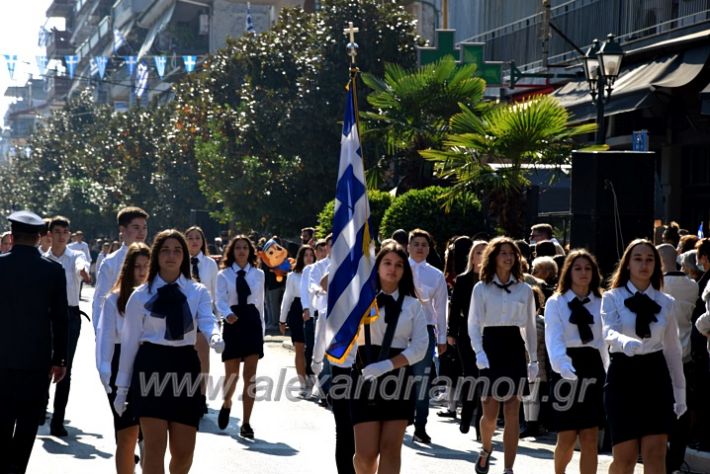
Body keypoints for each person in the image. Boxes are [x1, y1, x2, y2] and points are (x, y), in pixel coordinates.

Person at [114, 229, 224, 473]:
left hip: (184, 365)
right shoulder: (140, 296)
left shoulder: (197, 291)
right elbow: (130, 342)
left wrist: (214, 335)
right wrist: (122, 389)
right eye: (165, 250)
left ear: (184, 256)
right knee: (154, 447)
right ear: (156, 256)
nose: (171, 256)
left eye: (177, 250)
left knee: (184, 452)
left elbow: (207, 318)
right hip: (151, 364)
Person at [601, 239, 686, 473]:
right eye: (637, 258)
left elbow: (672, 350)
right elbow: (607, 330)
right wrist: (623, 341)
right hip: (623, 376)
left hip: (655, 375)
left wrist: (680, 394)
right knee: (625, 457)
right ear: (627, 264)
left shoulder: (666, 302)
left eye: (649, 259)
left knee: (656, 454)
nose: (644, 264)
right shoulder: (612, 297)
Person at [351, 242, 428, 474]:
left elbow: (421, 347)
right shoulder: (359, 300)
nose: (392, 269)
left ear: (405, 271)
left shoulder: (413, 306)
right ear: (377, 267)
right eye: (387, 263)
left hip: (398, 378)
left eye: (398, 265)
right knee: (365, 457)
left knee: (391, 449)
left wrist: (388, 365)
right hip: (364, 377)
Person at [0, 210, 68, 474]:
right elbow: (60, 319)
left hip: (2, 360)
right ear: (41, 237)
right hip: (36, 361)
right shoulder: (53, 271)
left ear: (13, 236)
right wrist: (60, 359)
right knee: (28, 423)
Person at [468, 237, 537, 474]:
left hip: (513, 347)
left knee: (512, 410)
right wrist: (479, 352)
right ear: (494, 257)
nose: (508, 257)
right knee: (489, 412)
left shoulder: (525, 289)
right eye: (503, 253)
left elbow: (529, 325)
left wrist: (534, 360)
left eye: (512, 253)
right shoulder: (481, 288)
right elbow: (474, 324)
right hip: (490, 346)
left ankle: (509, 468)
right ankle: (486, 449)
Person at [544, 250, 608, 474]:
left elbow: (603, 341)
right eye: (578, 268)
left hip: (593, 366)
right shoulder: (556, 302)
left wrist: (609, 371)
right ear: (568, 272)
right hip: (566, 367)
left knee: (590, 437)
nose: (583, 273)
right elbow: (554, 339)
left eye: (588, 268)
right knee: (567, 436)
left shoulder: (602, 301)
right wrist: (563, 366)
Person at [95, 242, 150, 474]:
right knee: (127, 434)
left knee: (150, 435)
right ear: (128, 269)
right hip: (120, 369)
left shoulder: (158, 296)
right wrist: (108, 380)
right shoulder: (113, 300)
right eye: (137, 266)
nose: (142, 271)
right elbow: (105, 342)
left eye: (147, 266)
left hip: (150, 364)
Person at [42, 216, 91, 437]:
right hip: (46, 317)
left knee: (65, 368)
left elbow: (82, 265)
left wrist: (83, 272)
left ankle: (58, 421)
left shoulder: (76, 256)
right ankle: (41, 409)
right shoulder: (43, 260)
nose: (62, 235)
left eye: (65, 231)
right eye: (58, 231)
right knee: (42, 365)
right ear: (49, 235)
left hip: (70, 316)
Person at [216, 235, 265, 438]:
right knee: (232, 375)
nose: (242, 251)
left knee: (250, 377)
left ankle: (246, 422)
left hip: (252, 322)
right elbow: (219, 300)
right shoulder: (224, 275)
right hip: (233, 322)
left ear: (250, 251)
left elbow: (260, 303)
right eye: (238, 248)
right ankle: (227, 402)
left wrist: (261, 328)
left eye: (245, 247)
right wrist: (227, 314)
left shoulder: (259, 274)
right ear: (232, 251)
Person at [657, 243, 699, 473]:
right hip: (685, 353)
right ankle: (675, 458)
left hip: (660, 354)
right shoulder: (692, 286)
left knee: (658, 409)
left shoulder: (657, 286)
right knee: (681, 411)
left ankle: (660, 456)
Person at [407, 228, 448, 444]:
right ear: (408, 246)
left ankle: (420, 425)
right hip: (399, 331)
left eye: (424, 244)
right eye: (416, 244)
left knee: (421, 379)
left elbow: (441, 308)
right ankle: (400, 418)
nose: (420, 248)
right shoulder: (398, 268)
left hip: (425, 331)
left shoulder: (436, 274)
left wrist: (442, 338)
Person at [447, 240, 486, 436]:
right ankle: (467, 412)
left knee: (484, 378)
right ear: (472, 256)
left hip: (489, 334)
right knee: (470, 374)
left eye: (486, 252)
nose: (482, 255)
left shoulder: (495, 280)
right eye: (478, 252)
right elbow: (454, 309)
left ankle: (481, 423)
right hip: (466, 333)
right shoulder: (463, 280)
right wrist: (451, 332)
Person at [93, 207, 149, 333]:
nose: (141, 232)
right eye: (136, 228)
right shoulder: (110, 262)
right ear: (122, 230)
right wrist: (100, 333)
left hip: (147, 335)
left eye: (144, 228)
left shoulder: (153, 259)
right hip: (118, 335)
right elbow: (100, 300)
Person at [185, 225, 219, 416]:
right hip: (183, 314)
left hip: (203, 314)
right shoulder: (180, 260)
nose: (194, 241)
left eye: (197, 237)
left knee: (202, 357)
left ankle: (201, 395)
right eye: (190, 238)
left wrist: (215, 318)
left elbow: (214, 293)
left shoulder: (209, 264)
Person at [279, 245, 315, 394]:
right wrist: (282, 320)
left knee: (312, 348)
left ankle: (313, 379)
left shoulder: (318, 272)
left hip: (314, 311)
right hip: (296, 311)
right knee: (299, 348)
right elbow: (287, 298)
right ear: (301, 257)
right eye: (305, 255)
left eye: (311, 255)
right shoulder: (293, 276)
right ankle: (302, 382)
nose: (309, 257)